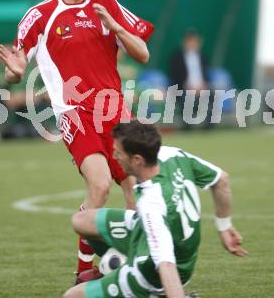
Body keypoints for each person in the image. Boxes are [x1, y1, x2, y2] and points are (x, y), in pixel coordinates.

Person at [0, 0, 154, 279]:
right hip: (74, 113)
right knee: (98, 186)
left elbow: (143, 53)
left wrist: (115, 28)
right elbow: (15, 68)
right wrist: (15, 72)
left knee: (134, 186)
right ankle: (85, 270)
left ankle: (139, 267)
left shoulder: (106, 4)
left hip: (115, 111)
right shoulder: (40, 15)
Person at [63, 120, 248, 298]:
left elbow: (166, 264)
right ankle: (123, 260)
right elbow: (221, 179)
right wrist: (224, 226)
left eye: (118, 153)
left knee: (72, 296)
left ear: (136, 160)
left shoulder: (151, 204)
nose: (114, 157)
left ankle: (154, 293)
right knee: (81, 220)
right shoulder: (172, 155)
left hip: (151, 273)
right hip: (151, 233)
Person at [170, 29, 214, 130]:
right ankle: (187, 126)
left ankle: (209, 126)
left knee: (212, 94)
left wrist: (203, 85)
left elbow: (206, 74)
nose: (192, 43)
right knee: (186, 95)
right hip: (184, 87)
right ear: (184, 42)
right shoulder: (176, 57)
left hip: (201, 87)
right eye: (190, 41)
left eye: (194, 41)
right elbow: (174, 76)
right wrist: (187, 85)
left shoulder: (203, 56)